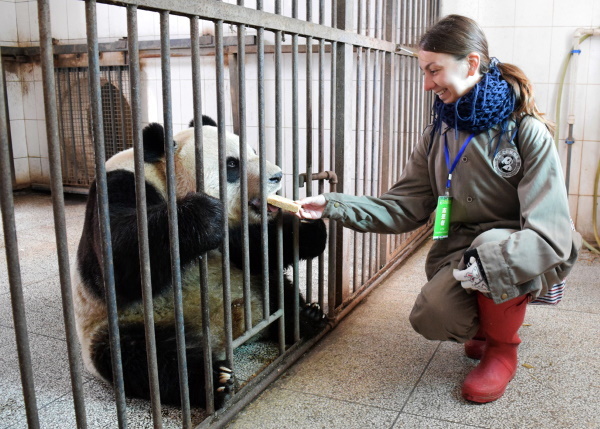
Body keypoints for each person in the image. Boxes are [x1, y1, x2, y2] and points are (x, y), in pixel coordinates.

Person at [295, 14, 582, 403]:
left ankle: (503, 349)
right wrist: (332, 204)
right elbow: (404, 206)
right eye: (424, 71)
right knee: (432, 315)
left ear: (472, 63)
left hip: (523, 245)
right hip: (464, 251)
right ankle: (487, 322)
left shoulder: (524, 131)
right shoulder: (439, 134)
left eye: (434, 70)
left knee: (491, 247)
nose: (427, 84)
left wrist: (493, 266)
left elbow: (551, 230)